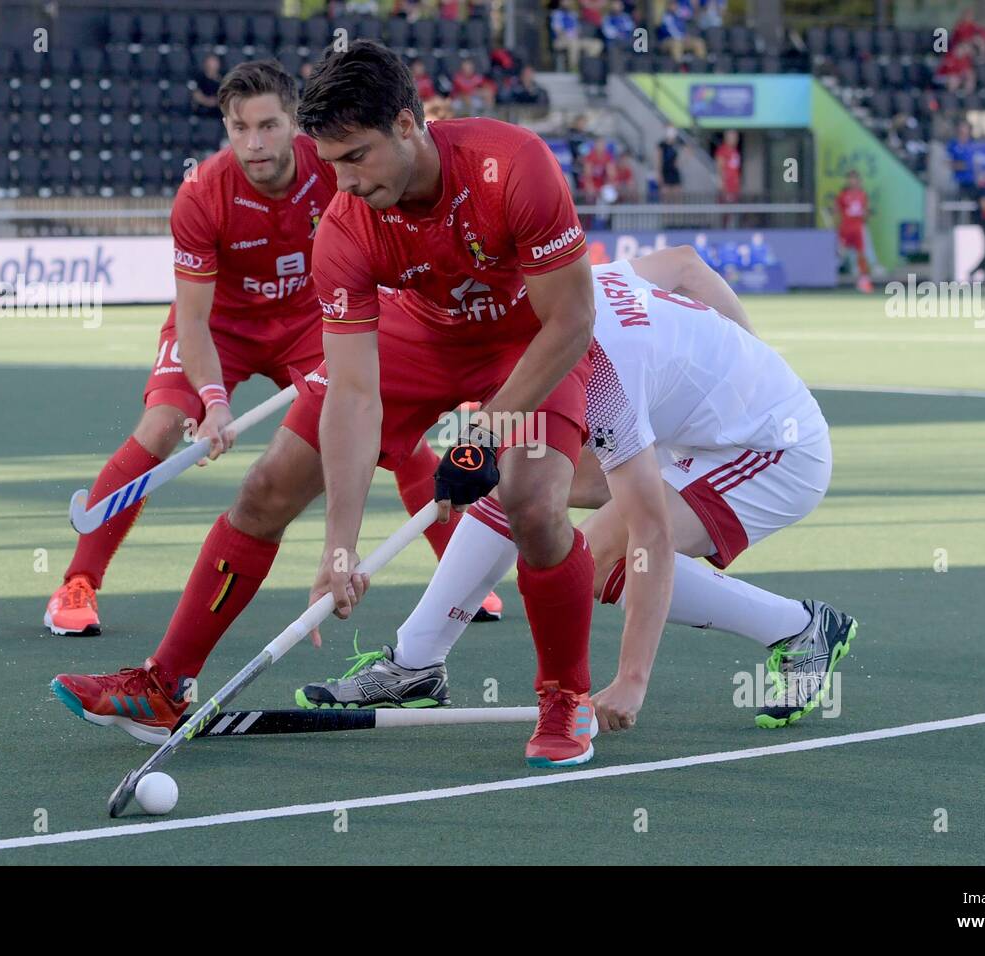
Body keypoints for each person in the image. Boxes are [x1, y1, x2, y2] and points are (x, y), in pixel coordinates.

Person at [54, 41, 599, 769]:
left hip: (526, 340)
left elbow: (572, 320)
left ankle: (566, 694)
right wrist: (339, 547)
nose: (340, 180)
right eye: (331, 160)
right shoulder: (345, 223)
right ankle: (165, 684)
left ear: (408, 124)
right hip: (421, 332)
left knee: (531, 501)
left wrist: (491, 429)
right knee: (267, 486)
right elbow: (352, 392)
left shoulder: (513, 167)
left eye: (356, 157)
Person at [299, 248, 856, 733]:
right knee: (517, 486)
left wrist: (631, 682)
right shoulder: (578, 286)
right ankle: (415, 663)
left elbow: (650, 534)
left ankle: (802, 628)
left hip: (772, 450)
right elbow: (686, 264)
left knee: (598, 560)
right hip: (693, 427)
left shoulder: (607, 376)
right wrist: (751, 357)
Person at [43, 60, 499, 637]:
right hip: (222, 328)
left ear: (294, 124)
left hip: (312, 319)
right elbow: (193, 317)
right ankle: (79, 582)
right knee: (162, 425)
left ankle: (460, 582)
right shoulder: (202, 195)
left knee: (383, 427)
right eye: (239, 128)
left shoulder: (332, 162)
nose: (254, 144)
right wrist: (212, 400)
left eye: (268, 126)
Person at [833, 170, 873, 293]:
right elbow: (836, 211)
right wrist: (836, 225)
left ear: (859, 181)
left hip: (858, 228)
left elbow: (865, 211)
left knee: (861, 254)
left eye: (855, 179)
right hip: (845, 228)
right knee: (840, 254)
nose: (853, 181)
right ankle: (831, 277)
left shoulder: (863, 195)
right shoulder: (842, 195)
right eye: (851, 179)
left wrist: (866, 216)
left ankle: (863, 282)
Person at [191, 54, 223, 120]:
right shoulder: (199, 78)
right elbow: (196, 96)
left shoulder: (223, 80)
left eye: (215, 63)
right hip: (202, 113)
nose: (212, 66)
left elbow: (225, 98)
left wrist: (216, 102)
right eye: (210, 63)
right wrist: (209, 101)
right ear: (205, 64)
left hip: (218, 115)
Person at [715, 129, 741, 204]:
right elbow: (719, 168)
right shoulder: (722, 150)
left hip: (735, 187)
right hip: (726, 187)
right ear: (727, 138)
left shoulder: (735, 151)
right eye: (733, 137)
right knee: (726, 210)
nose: (736, 139)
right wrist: (723, 186)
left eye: (736, 137)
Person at [658, 126, 682, 201]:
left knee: (677, 195)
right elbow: (659, 160)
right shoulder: (662, 145)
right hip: (665, 171)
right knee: (665, 195)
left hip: (674, 171)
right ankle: (666, 213)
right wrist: (659, 174)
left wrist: (681, 162)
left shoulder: (676, 144)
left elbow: (689, 149)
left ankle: (678, 212)